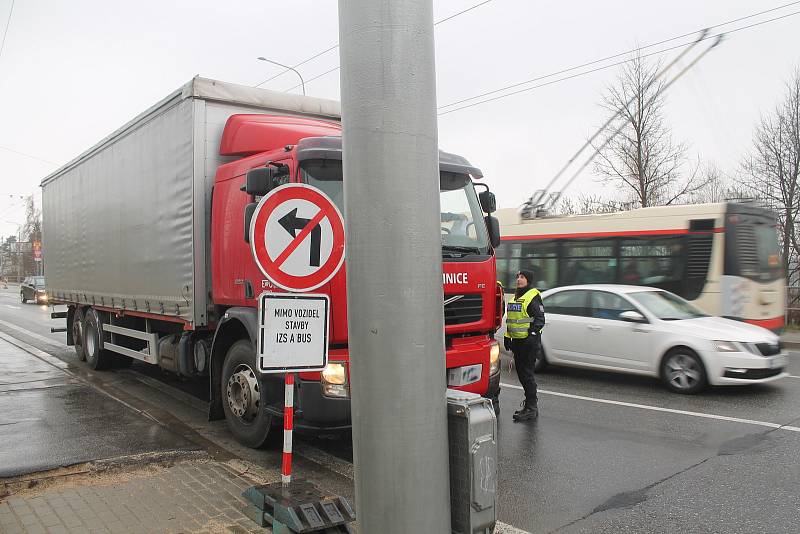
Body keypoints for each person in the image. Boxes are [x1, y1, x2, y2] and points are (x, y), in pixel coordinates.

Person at [503, 269, 545, 421]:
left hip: (529, 343)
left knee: (526, 375)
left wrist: (532, 336)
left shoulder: (532, 296)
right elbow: (512, 320)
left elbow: (540, 319)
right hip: (518, 342)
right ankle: (529, 405)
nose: (518, 279)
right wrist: (507, 337)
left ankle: (531, 407)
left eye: (522, 277)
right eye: (518, 277)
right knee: (522, 374)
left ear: (528, 280)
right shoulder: (516, 297)